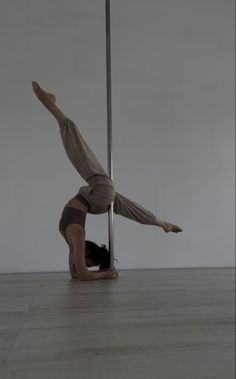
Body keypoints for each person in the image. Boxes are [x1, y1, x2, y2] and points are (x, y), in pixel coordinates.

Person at [32, 81, 182, 281]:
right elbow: (83, 275)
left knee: (126, 206)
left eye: (91, 266)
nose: (85, 265)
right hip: (97, 196)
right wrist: (105, 275)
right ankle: (51, 105)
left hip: (95, 199)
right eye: (89, 263)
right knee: (79, 152)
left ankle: (160, 222)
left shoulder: (75, 241)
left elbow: (76, 275)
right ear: (86, 253)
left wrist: (95, 272)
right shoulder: (77, 238)